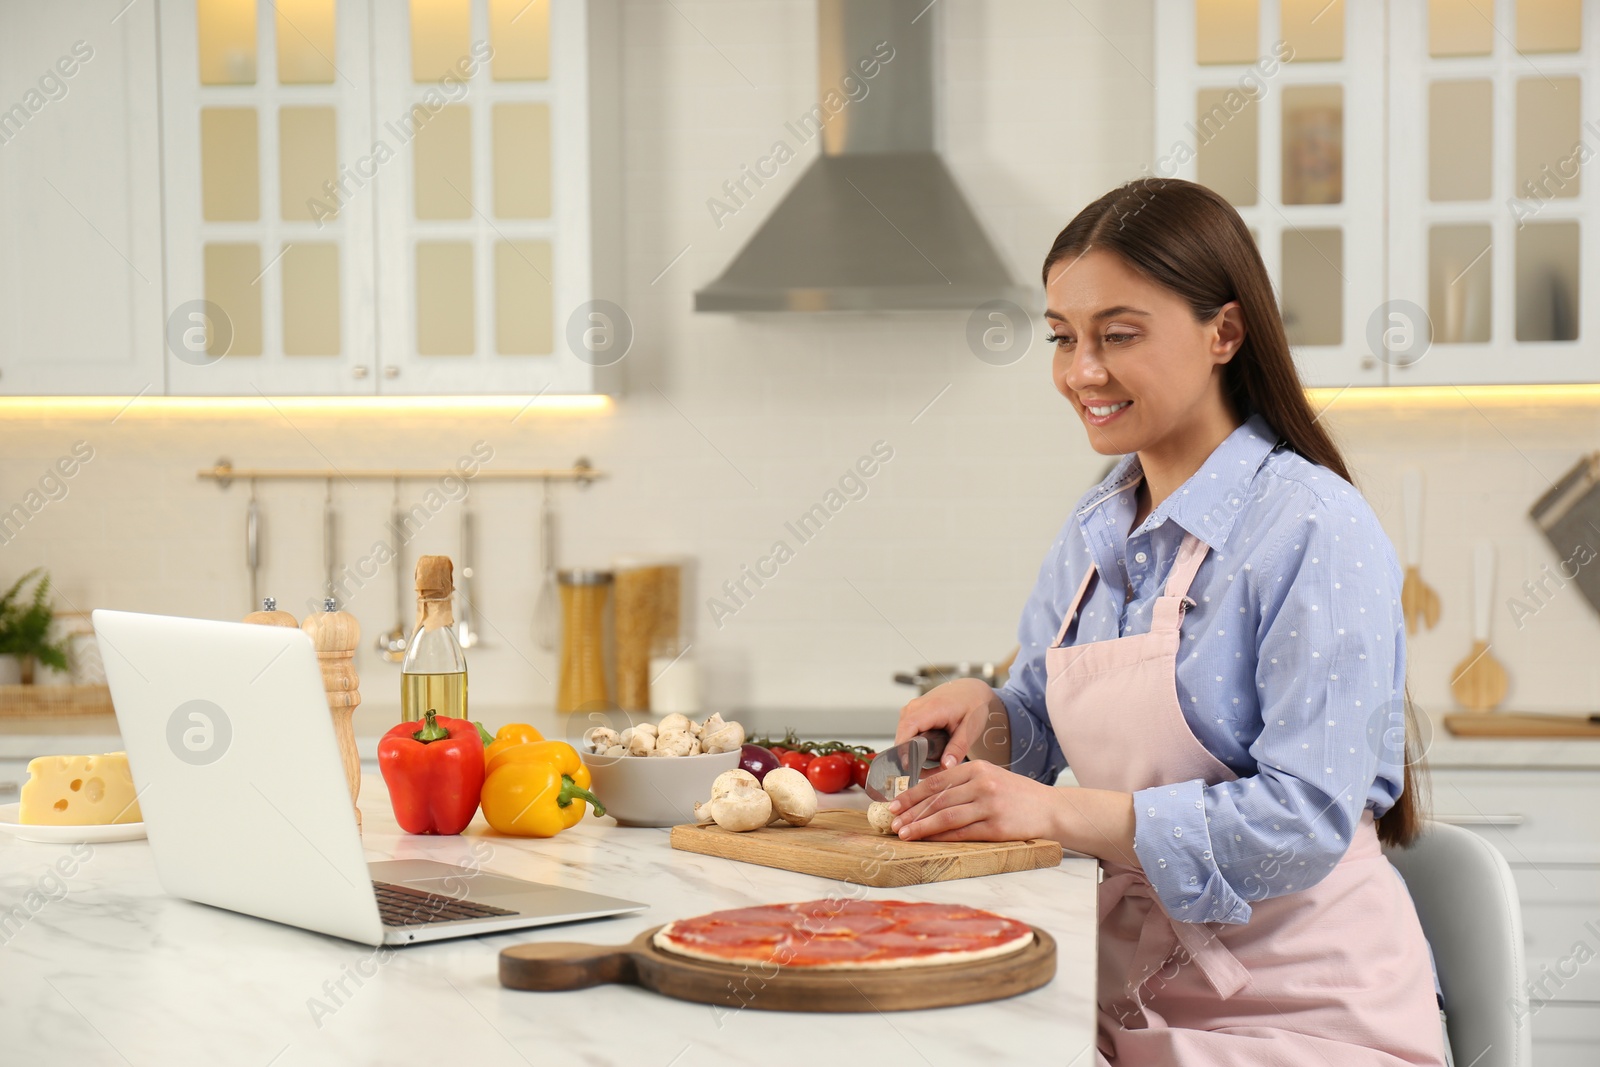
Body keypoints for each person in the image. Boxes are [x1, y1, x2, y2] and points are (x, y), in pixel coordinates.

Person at [889, 179, 1448, 1065]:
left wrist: (1060, 813)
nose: (1083, 372)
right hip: (1121, 999)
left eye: (1119, 334)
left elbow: (1302, 819)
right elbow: (1044, 713)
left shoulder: (1313, 529)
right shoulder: (1096, 523)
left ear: (1223, 332)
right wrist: (993, 718)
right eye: (1063, 338)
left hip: (1307, 1016)